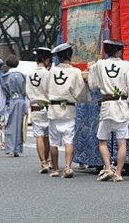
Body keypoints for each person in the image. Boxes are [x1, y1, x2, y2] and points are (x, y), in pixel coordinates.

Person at [87, 39, 129, 182]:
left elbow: (92, 85)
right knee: (121, 142)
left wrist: (90, 68)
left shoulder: (100, 65)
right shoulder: (125, 65)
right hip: (121, 106)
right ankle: (118, 173)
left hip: (106, 106)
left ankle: (108, 168)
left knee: (102, 140)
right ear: (119, 51)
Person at [47, 43, 90, 178]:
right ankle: (67, 167)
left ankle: (55, 169)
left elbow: (46, 88)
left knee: (53, 141)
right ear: (70, 55)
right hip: (69, 109)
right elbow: (80, 92)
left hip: (53, 109)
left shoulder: (52, 72)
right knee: (68, 139)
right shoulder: (75, 72)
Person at [0, 55, 28, 157]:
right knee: (19, 126)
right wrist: (27, 107)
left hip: (11, 101)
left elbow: (0, 92)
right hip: (21, 101)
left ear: (7, 64)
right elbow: (27, 92)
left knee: (9, 125)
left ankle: (10, 148)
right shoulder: (23, 76)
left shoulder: (4, 77)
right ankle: (17, 148)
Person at [26, 47, 52, 173]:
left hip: (35, 107)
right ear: (47, 60)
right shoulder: (48, 74)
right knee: (48, 137)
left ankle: (43, 162)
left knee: (39, 136)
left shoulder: (30, 74)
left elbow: (27, 92)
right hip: (48, 107)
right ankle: (48, 160)